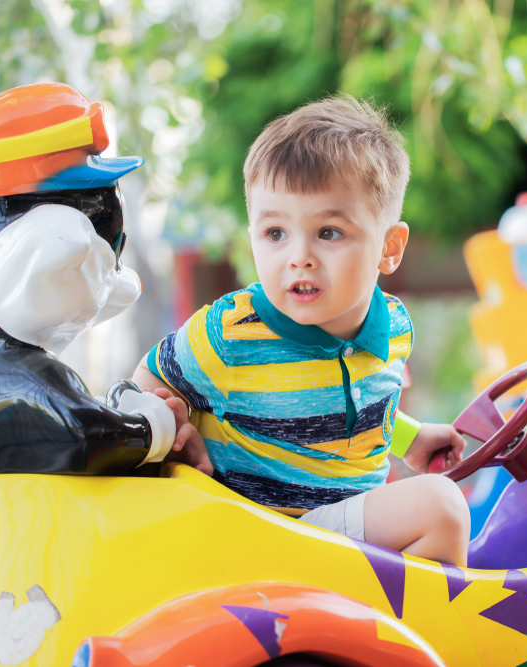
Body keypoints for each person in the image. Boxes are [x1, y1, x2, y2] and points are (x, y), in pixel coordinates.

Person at [132, 97, 471, 566]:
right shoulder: (231, 333)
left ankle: (383, 607)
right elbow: (145, 384)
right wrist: (171, 429)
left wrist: (411, 439)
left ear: (389, 248)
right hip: (266, 537)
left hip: (339, 534)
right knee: (442, 509)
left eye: (328, 232)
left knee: (437, 510)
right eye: (276, 233)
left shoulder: (393, 328)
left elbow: (347, 412)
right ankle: (413, 615)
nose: (299, 258)